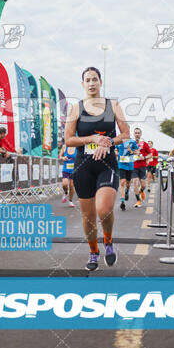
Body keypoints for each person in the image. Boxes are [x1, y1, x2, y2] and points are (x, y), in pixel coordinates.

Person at [65, 66, 129, 271]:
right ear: (83, 84)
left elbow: (125, 134)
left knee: (103, 209)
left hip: (107, 164)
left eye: (95, 79)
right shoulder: (76, 108)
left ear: (101, 82)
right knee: (89, 216)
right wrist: (91, 139)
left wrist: (108, 142)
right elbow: (69, 140)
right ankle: (93, 252)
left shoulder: (113, 104)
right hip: (83, 165)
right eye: (87, 80)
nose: (91, 83)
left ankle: (108, 241)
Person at [132, 127, 151, 207]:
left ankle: (141, 191)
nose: (137, 134)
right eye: (135, 133)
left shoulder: (144, 144)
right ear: (133, 134)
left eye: (138, 133)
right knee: (135, 182)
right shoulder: (131, 143)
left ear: (141, 134)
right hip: (134, 166)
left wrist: (144, 157)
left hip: (142, 166)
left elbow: (150, 154)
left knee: (143, 185)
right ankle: (138, 201)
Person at [117, 138, 138, 210]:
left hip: (130, 165)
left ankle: (127, 190)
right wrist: (117, 154)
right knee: (122, 182)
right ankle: (122, 202)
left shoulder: (132, 141)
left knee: (128, 183)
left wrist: (131, 151)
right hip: (121, 164)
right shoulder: (118, 141)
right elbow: (115, 150)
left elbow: (137, 152)